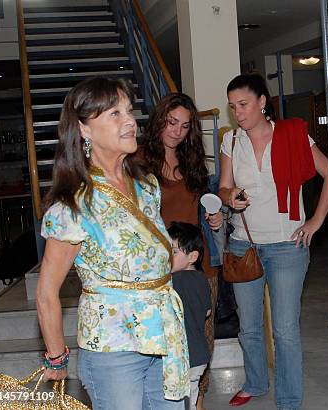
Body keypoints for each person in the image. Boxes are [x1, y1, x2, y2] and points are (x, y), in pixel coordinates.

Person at [36, 76, 189, 410]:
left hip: (164, 336)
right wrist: (56, 356)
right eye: (114, 114)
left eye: (129, 110)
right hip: (112, 344)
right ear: (84, 130)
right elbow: (47, 293)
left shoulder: (147, 185)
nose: (130, 120)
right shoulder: (73, 206)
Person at [218, 73, 328, 410]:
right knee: (249, 327)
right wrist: (230, 196)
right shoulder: (231, 142)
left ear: (262, 102)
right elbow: (223, 187)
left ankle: (289, 401)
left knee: (284, 330)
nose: (238, 112)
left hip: (287, 246)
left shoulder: (295, 134)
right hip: (244, 245)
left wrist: (316, 220)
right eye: (232, 107)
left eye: (243, 104)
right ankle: (254, 382)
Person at [138, 93, 223, 410]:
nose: (176, 131)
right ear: (159, 120)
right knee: (165, 340)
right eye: (171, 123)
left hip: (199, 263)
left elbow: (200, 209)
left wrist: (215, 218)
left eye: (185, 126)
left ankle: (198, 400)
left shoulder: (193, 161)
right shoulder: (138, 160)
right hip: (159, 269)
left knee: (203, 336)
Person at [168, 222, 212, 410]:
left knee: (177, 401)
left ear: (192, 256)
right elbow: (207, 312)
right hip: (199, 355)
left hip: (181, 357)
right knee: (191, 400)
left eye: (174, 252)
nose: (167, 257)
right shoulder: (202, 279)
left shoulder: (173, 281)